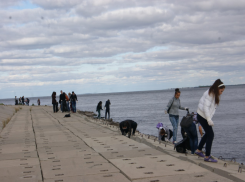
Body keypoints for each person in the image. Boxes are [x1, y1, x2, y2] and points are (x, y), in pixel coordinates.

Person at [195, 79, 225, 163]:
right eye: (221, 91)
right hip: (202, 115)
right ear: (217, 88)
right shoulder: (210, 94)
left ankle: (198, 150)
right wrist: (208, 119)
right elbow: (205, 107)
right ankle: (207, 156)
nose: (222, 93)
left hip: (203, 116)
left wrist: (209, 118)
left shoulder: (213, 93)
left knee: (208, 133)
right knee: (211, 135)